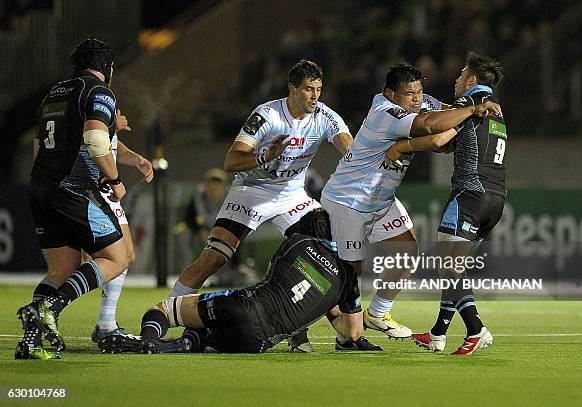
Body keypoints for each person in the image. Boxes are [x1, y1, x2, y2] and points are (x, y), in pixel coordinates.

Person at [167, 59, 362, 352]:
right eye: (308, 89)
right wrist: (264, 156)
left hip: (293, 196)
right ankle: (167, 314)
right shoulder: (268, 116)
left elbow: (350, 148)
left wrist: (364, 165)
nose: (315, 96)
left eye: (319, 89)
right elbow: (231, 161)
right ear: (292, 89)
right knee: (214, 259)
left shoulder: (325, 116)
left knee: (325, 251)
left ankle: (308, 332)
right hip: (251, 192)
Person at [321, 63, 501, 342]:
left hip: (380, 201)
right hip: (349, 200)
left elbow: (444, 114)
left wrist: (478, 105)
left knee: (405, 251)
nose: (417, 98)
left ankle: (378, 314)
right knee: (350, 274)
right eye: (409, 93)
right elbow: (431, 124)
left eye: (419, 90)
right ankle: (322, 318)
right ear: (391, 94)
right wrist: (472, 109)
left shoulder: (421, 101)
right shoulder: (385, 113)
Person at [98, 209, 376, 354]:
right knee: (203, 336)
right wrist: (327, 300)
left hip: (244, 307)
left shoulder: (296, 242)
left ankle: (146, 339)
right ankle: (180, 346)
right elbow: (350, 332)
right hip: (258, 342)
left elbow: (273, 275)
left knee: (162, 309)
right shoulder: (348, 277)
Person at [15, 37, 129, 360]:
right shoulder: (97, 91)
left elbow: (38, 146)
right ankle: (50, 308)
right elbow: (95, 138)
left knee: (61, 270)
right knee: (118, 258)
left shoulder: (54, 93)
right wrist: (115, 179)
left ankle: (31, 343)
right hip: (69, 190)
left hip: (39, 187)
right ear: (107, 67)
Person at [408, 52, 507, 355]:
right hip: (496, 199)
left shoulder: (469, 104)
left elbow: (437, 135)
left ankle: (477, 329)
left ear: (472, 80)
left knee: (447, 265)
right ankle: (438, 334)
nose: (456, 78)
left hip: (470, 194)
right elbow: (454, 142)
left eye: (461, 73)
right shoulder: (496, 114)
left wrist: (405, 145)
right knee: (454, 269)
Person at [89, 110, 154, 343]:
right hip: (91, 185)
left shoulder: (98, 98)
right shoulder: (90, 96)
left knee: (125, 255)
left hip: (104, 190)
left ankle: (105, 323)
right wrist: (111, 126)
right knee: (72, 263)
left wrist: (136, 159)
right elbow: (89, 138)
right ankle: (46, 310)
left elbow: (112, 145)